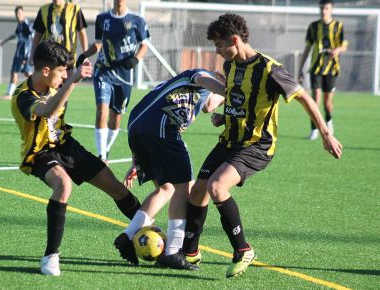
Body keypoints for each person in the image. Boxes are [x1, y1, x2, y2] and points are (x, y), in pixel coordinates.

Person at [175, 14, 343, 278]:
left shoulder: (270, 69)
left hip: (256, 145)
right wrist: (224, 116)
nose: (216, 51)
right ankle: (190, 252)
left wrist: (325, 133)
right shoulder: (230, 66)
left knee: (217, 187)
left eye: (219, 45)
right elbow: (235, 96)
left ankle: (243, 250)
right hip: (230, 139)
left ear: (234, 39)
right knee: (198, 191)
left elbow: (304, 98)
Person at [10, 40, 141, 276]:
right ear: (46, 70)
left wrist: (87, 54)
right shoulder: (23, 96)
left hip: (67, 146)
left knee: (117, 188)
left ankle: (149, 232)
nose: (64, 76)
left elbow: (72, 68)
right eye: (60, 72)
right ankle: (50, 256)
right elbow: (46, 110)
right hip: (40, 153)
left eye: (65, 72)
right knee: (63, 184)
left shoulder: (57, 79)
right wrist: (71, 81)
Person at [113, 69, 226, 270]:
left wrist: (136, 159)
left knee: (166, 189)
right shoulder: (201, 75)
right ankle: (173, 251)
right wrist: (230, 92)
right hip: (160, 129)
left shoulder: (183, 94)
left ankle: (127, 236)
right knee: (185, 189)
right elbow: (203, 80)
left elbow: (208, 105)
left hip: (140, 130)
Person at [75, 0, 150, 162]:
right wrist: (84, 54)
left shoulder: (137, 21)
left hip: (124, 76)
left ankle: (106, 149)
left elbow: (145, 45)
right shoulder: (102, 18)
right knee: (101, 111)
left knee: (116, 118)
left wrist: (135, 59)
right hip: (103, 70)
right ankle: (101, 157)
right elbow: (98, 44)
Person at [298, 0, 348, 140]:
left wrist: (337, 50)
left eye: (326, 8)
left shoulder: (338, 26)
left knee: (327, 102)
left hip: (332, 69)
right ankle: (314, 129)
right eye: (321, 8)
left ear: (331, 9)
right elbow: (307, 49)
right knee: (316, 99)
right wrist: (301, 69)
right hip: (316, 68)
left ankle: (329, 120)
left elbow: (344, 46)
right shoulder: (313, 27)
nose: (323, 11)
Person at [0, 6, 33, 100]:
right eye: (16, 14)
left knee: (20, 72)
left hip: (24, 53)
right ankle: (10, 93)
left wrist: (28, 54)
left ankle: (10, 94)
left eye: (20, 13)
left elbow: (32, 37)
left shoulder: (26, 24)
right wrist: (4, 41)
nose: (18, 15)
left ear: (23, 13)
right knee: (21, 72)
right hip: (19, 52)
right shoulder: (19, 25)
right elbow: (15, 35)